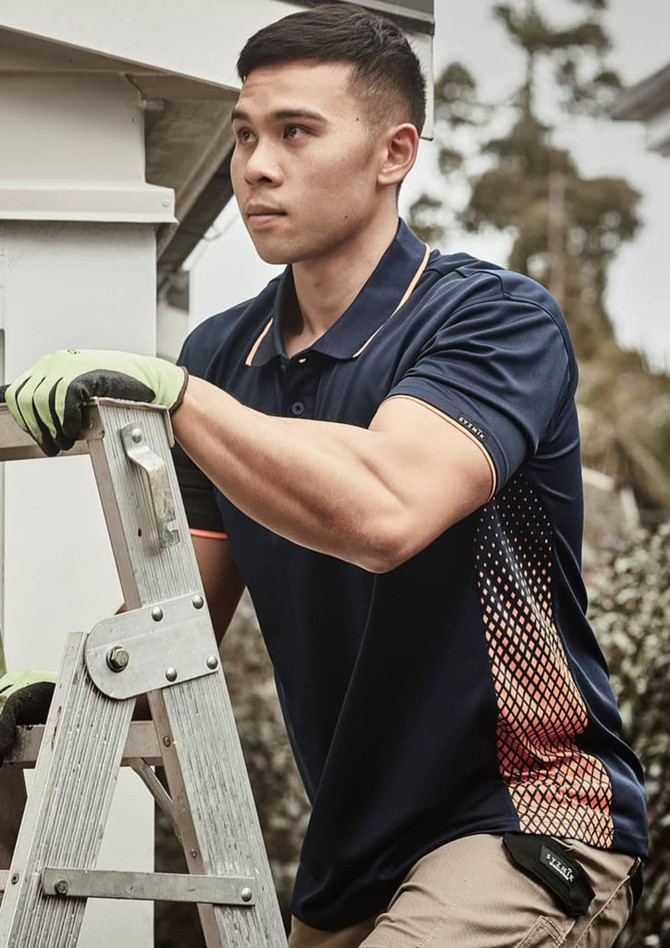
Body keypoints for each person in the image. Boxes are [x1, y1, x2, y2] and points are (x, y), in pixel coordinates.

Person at [4, 4, 648, 946]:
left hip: (525, 814)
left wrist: (178, 399)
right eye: (245, 135)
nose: (257, 166)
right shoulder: (226, 353)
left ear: (394, 154)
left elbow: (385, 511)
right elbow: (184, 622)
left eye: (297, 132)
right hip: (353, 853)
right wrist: (75, 703)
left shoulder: (493, 322)